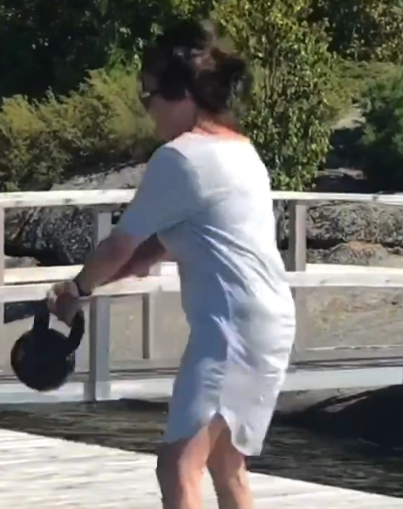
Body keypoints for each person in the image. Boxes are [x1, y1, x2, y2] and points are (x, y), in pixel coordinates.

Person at [47, 18, 296, 509]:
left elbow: (120, 245)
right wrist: (93, 286)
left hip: (229, 332)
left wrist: (76, 290)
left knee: (178, 465)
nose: (147, 109)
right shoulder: (241, 150)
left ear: (183, 95)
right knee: (226, 463)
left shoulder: (180, 158)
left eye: (150, 95)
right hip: (269, 323)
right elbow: (156, 247)